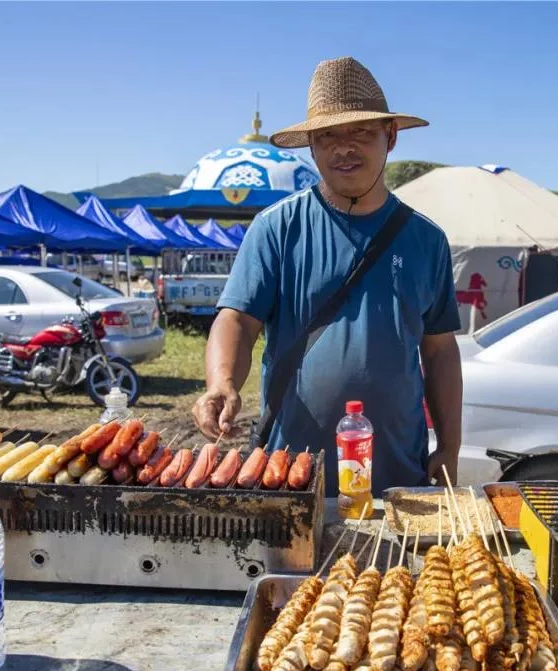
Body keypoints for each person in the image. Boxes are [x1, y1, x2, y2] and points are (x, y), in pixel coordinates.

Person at [192, 56, 463, 494]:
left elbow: (440, 350)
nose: (344, 147)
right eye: (328, 136)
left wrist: (450, 445)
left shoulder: (426, 240)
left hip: (397, 472)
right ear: (312, 147)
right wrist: (221, 383)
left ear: (389, 137)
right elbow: (237, 319)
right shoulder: (278, 228)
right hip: (293, 471)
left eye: (361, 131)